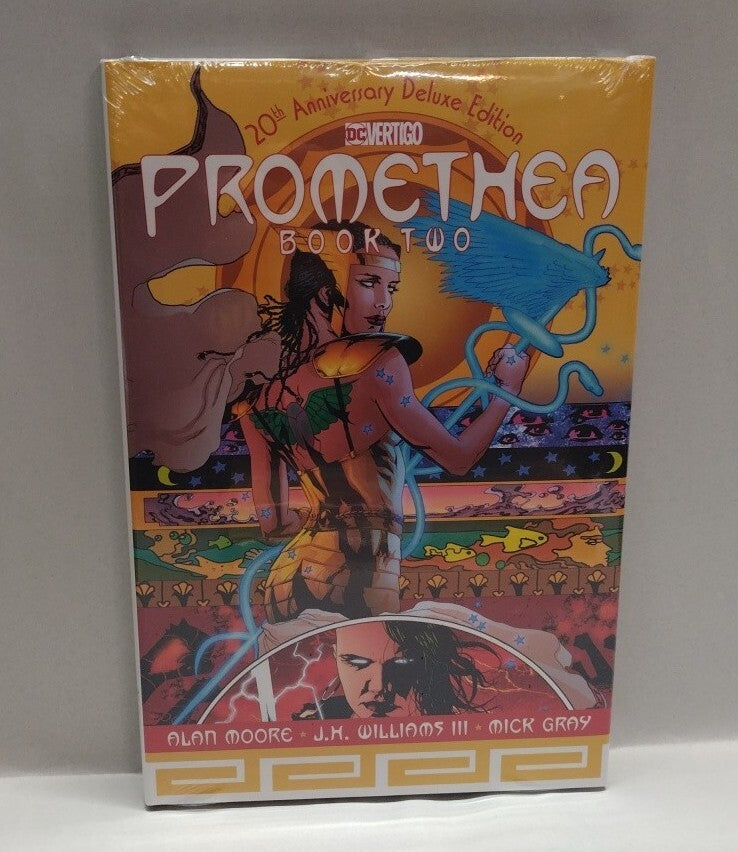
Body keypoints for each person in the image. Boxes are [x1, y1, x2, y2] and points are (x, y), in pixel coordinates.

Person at [238, 221, 528, 622]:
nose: (384, 303)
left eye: (391, 288)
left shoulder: (259, 394)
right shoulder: (376, 361)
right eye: (369, 282)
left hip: (285, 579)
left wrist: (326, 521)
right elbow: (459, 458)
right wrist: (505, 391)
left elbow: (273, 523)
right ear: (326, 292)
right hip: (358, 570)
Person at [292, 619, 494, 719]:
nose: (378, 686)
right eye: (358, 663)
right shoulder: (315, 721)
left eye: (401, 664)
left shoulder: (453, 732)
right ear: (336, 655)